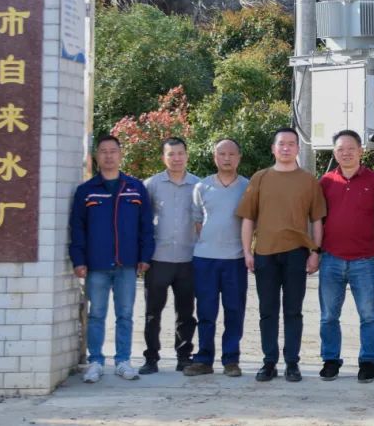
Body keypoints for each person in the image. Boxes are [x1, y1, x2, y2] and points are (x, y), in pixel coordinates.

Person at [238, 128, 326, 382]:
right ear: (273, 148)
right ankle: (269, 361)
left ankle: (292, 362)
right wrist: (247, 251)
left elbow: (317, 220)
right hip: (265, 253)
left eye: (291, 144)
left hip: (297, 253)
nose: (286, 148)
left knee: (293, 311)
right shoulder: (260, 178)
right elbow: (248, 218)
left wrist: (315, 251)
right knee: (267, 310)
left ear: (298, 148)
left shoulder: (308, 180)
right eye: (281, 144)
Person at [69, 135, 154, 383]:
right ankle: (95, 361)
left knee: (125, 314)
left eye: (113, 151)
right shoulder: (86, 191)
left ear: (120, 154)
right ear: (96, 156)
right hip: (96, 264)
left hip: (127, 263)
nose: (108, 156)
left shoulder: (135, 188)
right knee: (96, 314)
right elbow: (77, 228)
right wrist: (78, 260)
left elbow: (146, 226)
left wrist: (145, 256)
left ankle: (123, 361)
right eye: (103, 151)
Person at [317, 130, 374, 383]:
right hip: (331, 258)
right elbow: (318, 218)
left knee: (368, 314)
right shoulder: (326, 182)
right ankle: (330, 360)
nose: (346, 153)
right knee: (329, 315)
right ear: (334, 152)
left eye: (351, 148)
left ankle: (368, 361)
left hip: (364, 259)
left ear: (361, 151)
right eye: (340, 149)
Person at [183, 139, 249, 377]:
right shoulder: (202, 187)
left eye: (232, 154)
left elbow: (251, 222)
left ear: (239, 157)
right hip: (205, 259)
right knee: (206, 311)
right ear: (215, 157)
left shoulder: (248, 187)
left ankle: (231, 360)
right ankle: (203, 359)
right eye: (222, 154)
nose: (227, 158)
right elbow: (198, 221)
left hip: (235, 259)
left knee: (234, 311)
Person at [139, 137, 201, 375]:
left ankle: (184, 357)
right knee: (152, 313)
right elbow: (142, 222)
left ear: (187, 155)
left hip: (188, 258)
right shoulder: (151, 185)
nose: (176, 158)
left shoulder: (198, 185)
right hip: (158, 258)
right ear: (163, 157)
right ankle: (151, 358)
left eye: (180, 153)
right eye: (171, 154)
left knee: (186, 313)